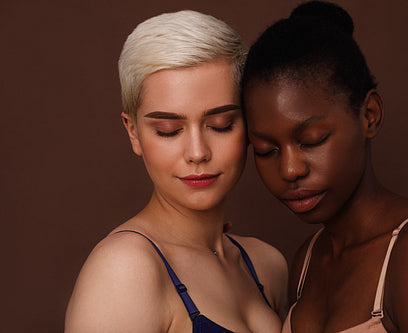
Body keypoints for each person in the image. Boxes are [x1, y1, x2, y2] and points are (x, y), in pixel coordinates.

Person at [241, 1, 408, 332]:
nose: (289, 170)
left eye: (311, 140)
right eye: (266, 150)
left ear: (369, 115)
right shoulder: (306, 262)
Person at [65, 10, 287, 333]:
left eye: (220, 125)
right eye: (169, 130)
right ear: (133, 133)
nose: (198, 152)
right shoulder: (125, 270)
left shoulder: (268, 266)